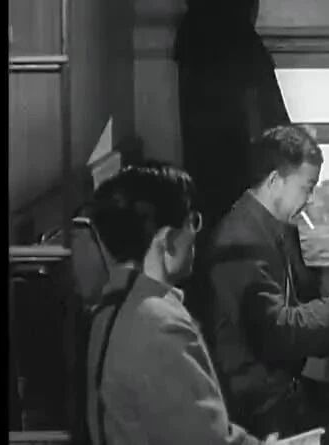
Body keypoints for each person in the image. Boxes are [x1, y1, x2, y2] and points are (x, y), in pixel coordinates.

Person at [85, 163, 271, 445]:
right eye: (192, 221)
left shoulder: (106, 311)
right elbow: (205, 439)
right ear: (167, 240)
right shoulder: (159, 323)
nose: (196, 234)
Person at [206, 125, 329, 442]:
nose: (310, 199)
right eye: (307, 187)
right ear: (275, 181)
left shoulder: (267, 228)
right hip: (260, 405)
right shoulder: (241, 241)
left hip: (279, 389)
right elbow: (276, 330)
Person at [173, 0, 291, 326]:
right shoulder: (245, 49)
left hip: (200, 203)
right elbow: (275, 135)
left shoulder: (188, 44)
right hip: (243, 202)